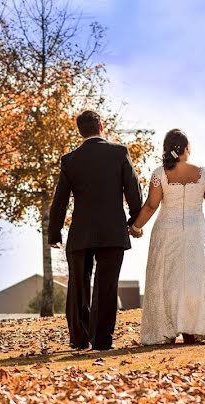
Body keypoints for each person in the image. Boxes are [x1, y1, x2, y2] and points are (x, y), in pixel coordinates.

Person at [130, 129, 205, 345]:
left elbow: (152, 205)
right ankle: (192, 328)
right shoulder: (204, 174)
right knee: (195, 277)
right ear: (187, 149)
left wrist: (136, 226)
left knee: (166, 278)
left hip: (166, 231)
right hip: (195, 231)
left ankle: (166, 330)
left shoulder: (159, 173)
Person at [48, 110, 142, 351]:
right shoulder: (119, 152)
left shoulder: (70, 159)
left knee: (78, 287)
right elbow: (132, 189)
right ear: (101, 125)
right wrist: (135, 220)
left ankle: (79, 339)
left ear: (80, 131)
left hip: (81, 232)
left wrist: (55, 232)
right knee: (106, 286)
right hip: (112, 232)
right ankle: (102, 340)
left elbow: (60, 200)